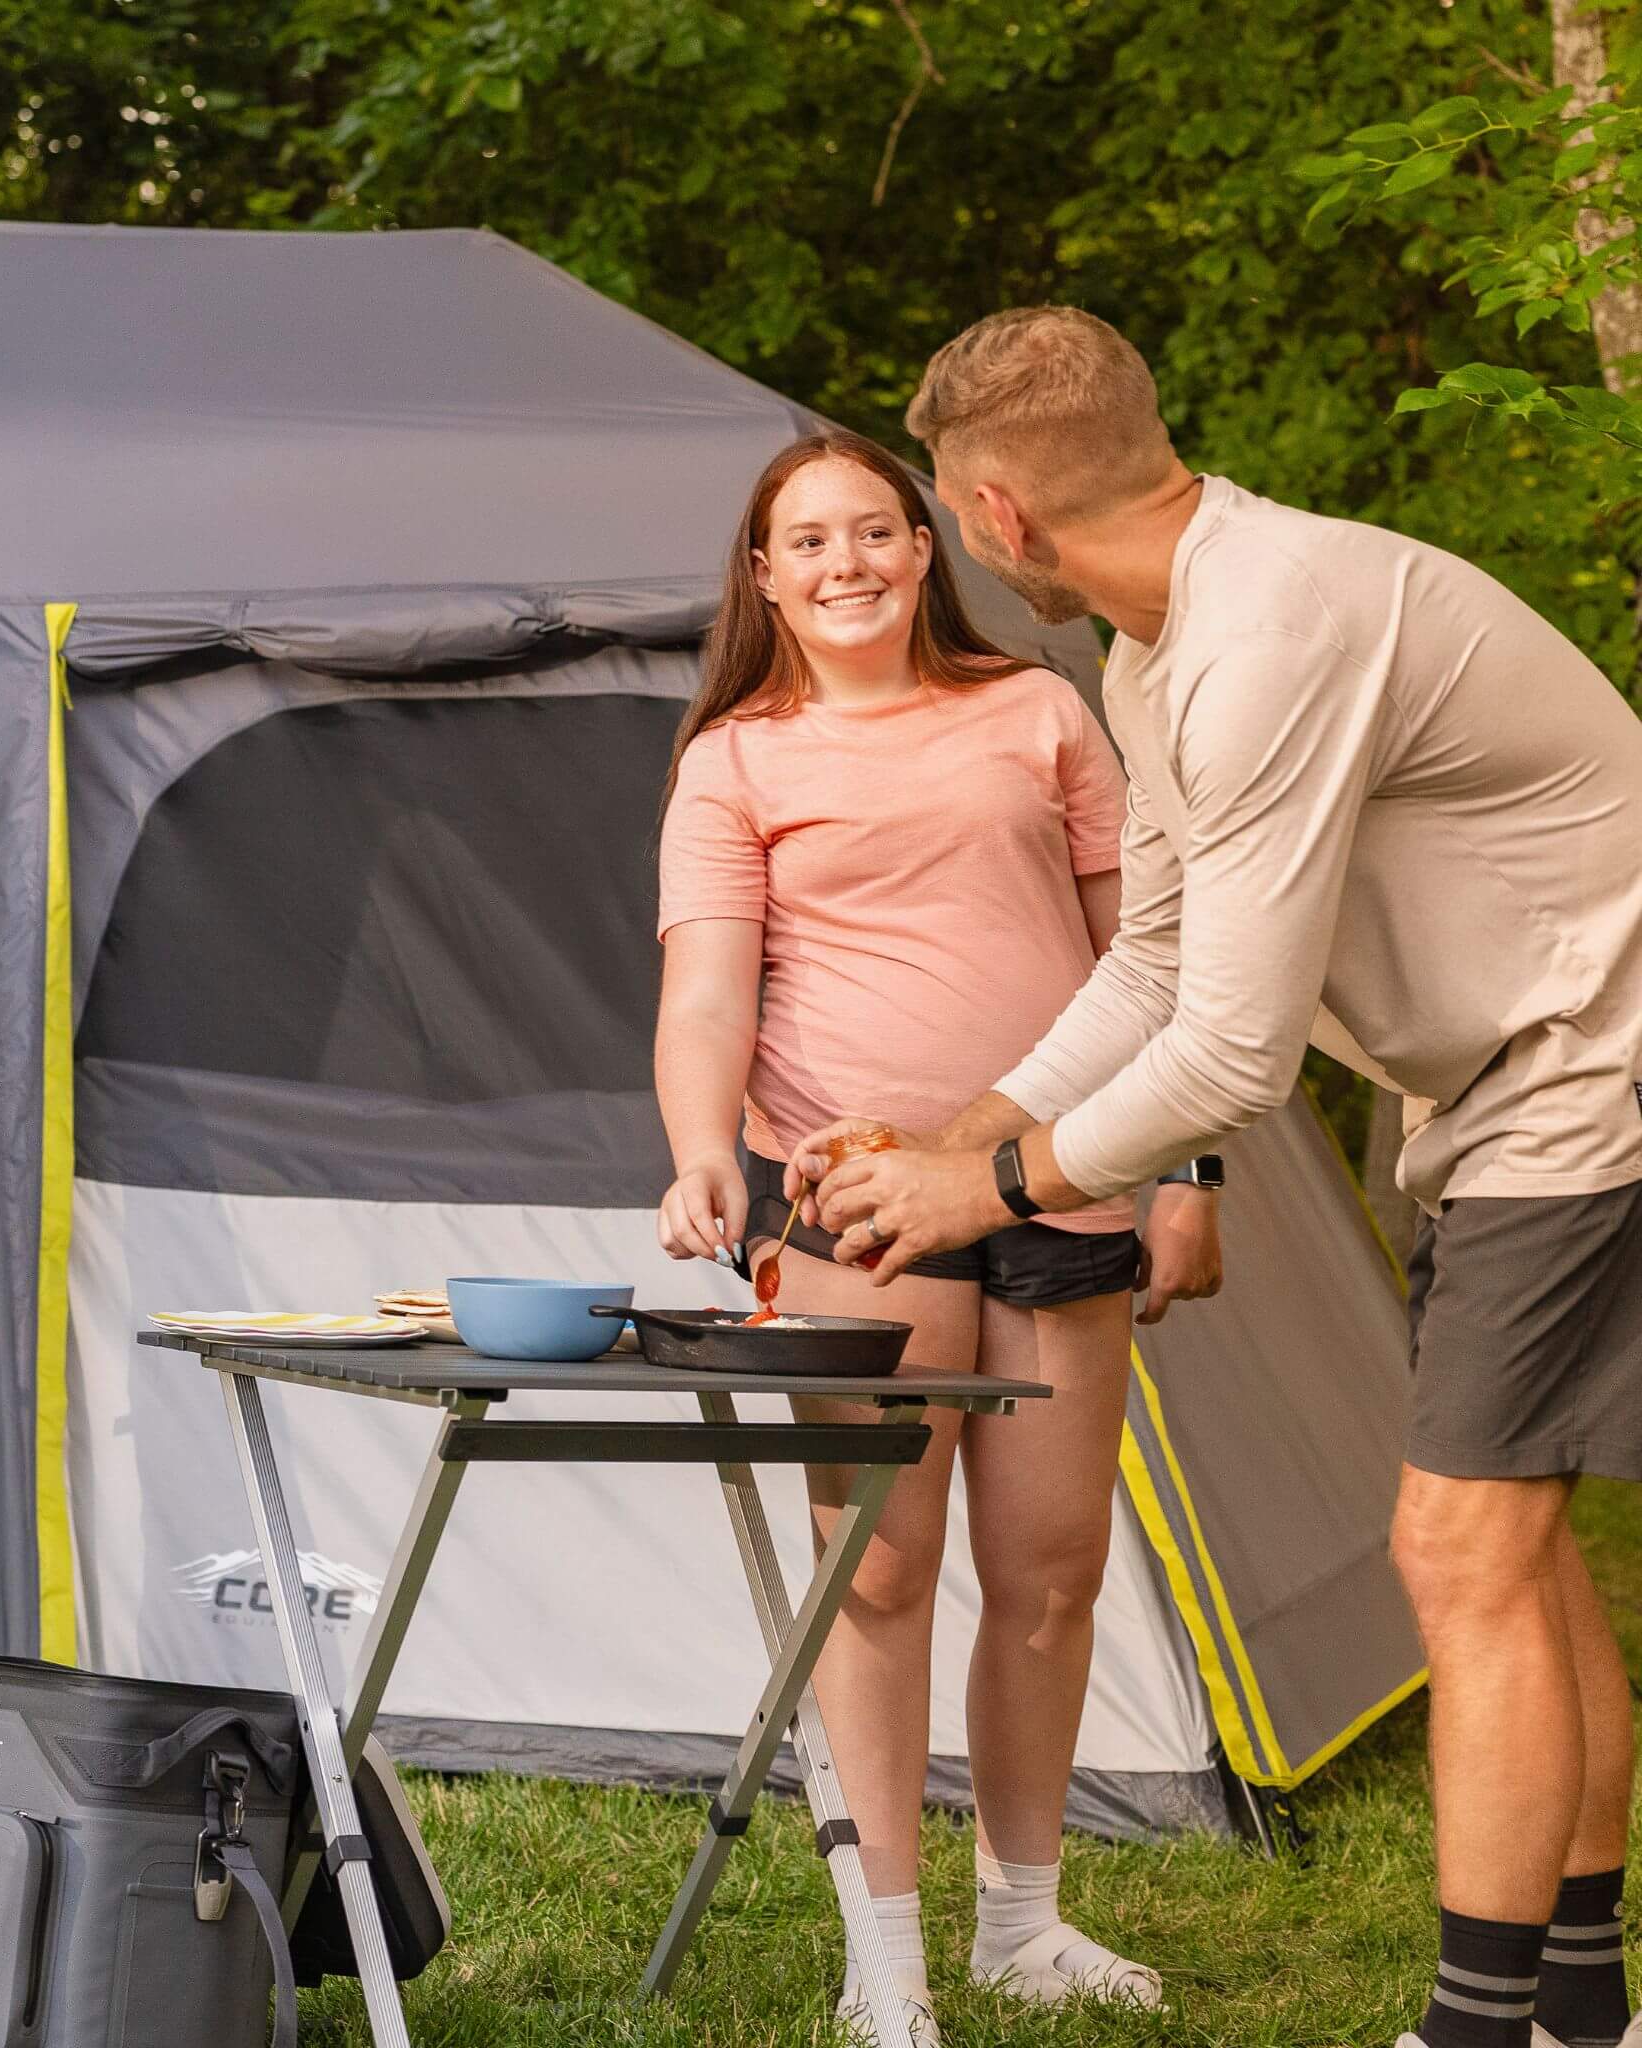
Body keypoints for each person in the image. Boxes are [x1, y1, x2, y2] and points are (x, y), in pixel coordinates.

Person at [791, 306, 1642, 2048]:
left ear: (1001, 515)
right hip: (1491, 1093)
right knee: (1524, 1554)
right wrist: (961, 1131)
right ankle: (1581, 2009)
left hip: (1594, 1068)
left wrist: (995, 1193)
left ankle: (1473, 2031)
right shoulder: (1158, 646)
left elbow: (1235, 1061)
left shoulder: (1266, 636)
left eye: (947, 508)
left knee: (1463, 1544)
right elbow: (1157, 965)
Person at [653, 426, 1224, 2044]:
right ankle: (884, 1956)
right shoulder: (734, 760)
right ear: (763, 577)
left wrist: (1190, 1173)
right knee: (882, 1572)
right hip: (847, 1210)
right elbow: (705, 990)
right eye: (810, 541)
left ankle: (1023, 1927)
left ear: (927, 549)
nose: (848, 564)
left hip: (1065, 1181)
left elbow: (1159, 958)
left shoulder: (1041, 710)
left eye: (877, 532)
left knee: (1051, 1576)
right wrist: (704, 1153)